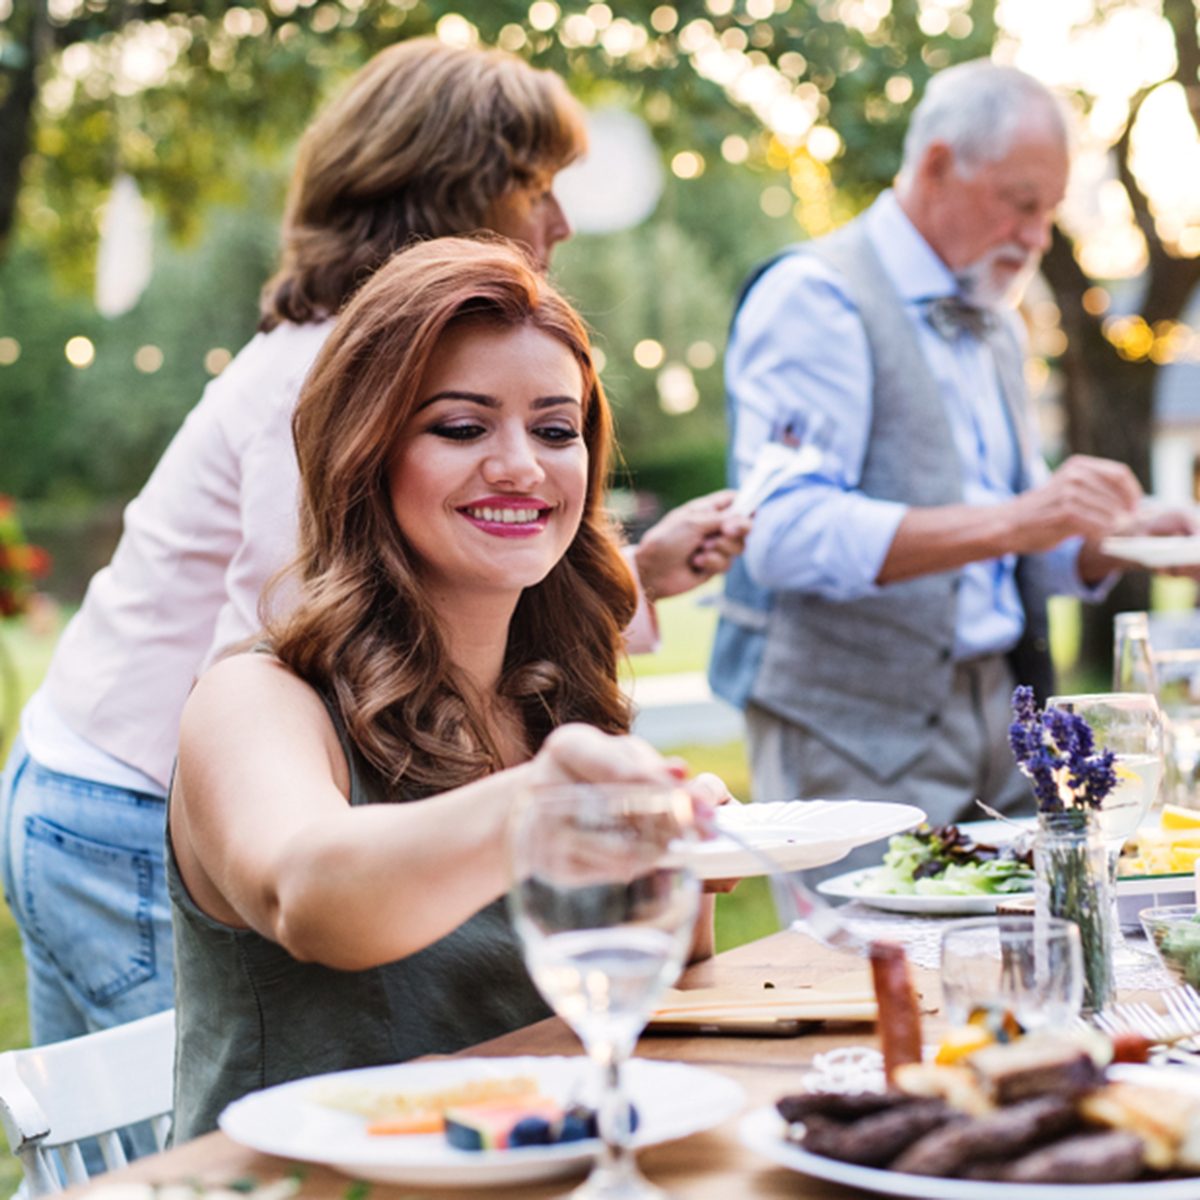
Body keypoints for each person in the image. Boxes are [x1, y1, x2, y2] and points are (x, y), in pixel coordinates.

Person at [0, 38, 748, 1053]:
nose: (560, 222)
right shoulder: (319, 381)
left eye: (557, 429)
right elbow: (296, 640)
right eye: (535, 186)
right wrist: (540, 799)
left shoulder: (533, 681)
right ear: (454, 187)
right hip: (132, 793)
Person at [168, 236, 723, 1139]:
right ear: (366, 452)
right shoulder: (257, 698)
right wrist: (544, 804)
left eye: (555, 429)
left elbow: (648, 990)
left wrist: (676, 859)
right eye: (462, 428)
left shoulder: (557, 699)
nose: (521, 466)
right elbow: (308, 896)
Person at [709, 59, 1178, 849]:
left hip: (1002, 722)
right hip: (854, 737)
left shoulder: (996, 320)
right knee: (862, 973)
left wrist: (1112, 544)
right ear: (936, 166)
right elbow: (783, 534)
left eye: (1050, 209)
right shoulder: (815, 297)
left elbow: (1007, 539)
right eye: (1021, 204)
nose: (1037, 236)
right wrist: (1019, 519)